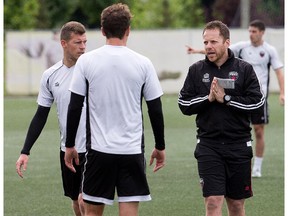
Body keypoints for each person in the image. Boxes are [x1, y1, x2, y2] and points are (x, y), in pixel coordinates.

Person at [64, 3, 166, 216]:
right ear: (128, 30)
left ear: (102, 30)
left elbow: (75, 107)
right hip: (132, 151)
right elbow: (155, 109)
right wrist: (160, 146)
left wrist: (70, 145)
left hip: (99, 152)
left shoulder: (86, 61)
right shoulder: (143, 63)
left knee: (91, 213)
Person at [178, 20, 264, 215]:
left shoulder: (244, 69)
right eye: (206, 42)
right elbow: (184, 104)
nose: (208, 46)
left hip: (239, 145)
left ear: (227, 42)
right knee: (213, 201)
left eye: (213, 42)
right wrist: (208, 99)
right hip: (209, 145)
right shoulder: (196, 70)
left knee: (235, 205)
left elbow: (256, 104)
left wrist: (226, 99)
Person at [186, 19, 284, 178]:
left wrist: (282, 92)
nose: (251, 34)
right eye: (249, 31)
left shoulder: (269, 50)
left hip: (258, 96)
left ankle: (257, 166)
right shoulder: (242, 47)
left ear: (262, 33)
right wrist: (197, 51)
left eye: (254, 31)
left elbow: (279, 71)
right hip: (237, 94)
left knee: (259, 130)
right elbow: (218, 50)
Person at [15, 21, 87, 216]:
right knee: (75, 201)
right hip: (68, 150)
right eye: (77, 42)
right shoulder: (50, 75)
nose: (82, 47)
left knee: (84, 200)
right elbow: (41, 114)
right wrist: (25, 151)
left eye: (84, 42)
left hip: (95, 148)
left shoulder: (93, 71)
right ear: (63, 44)